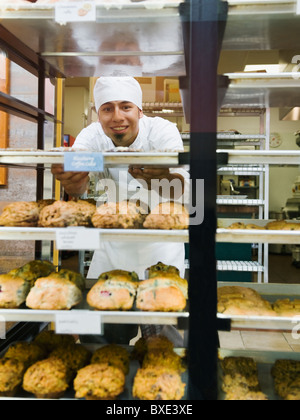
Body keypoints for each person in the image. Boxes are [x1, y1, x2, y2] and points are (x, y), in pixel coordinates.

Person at [51, 76, 189, 345]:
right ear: (98, 113)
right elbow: (79, 183)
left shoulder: (163, 131)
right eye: (107, 108)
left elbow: (179, 188)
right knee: (102, 343)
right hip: (111, 255)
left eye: (125, 107)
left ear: (139, 110)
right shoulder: (91, 136)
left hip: (159, 253)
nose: (117, 117)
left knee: (162, 346)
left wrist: (160, 177)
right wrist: (73, 179)